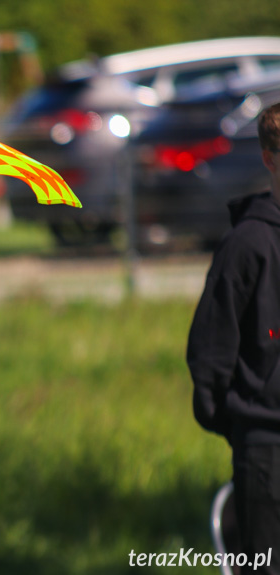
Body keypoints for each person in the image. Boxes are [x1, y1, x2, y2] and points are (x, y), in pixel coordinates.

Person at [188, 100, 280, 574]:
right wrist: (242, 425)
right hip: (265, 447)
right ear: (269, 158)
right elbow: (211, 348)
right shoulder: (248, 244)